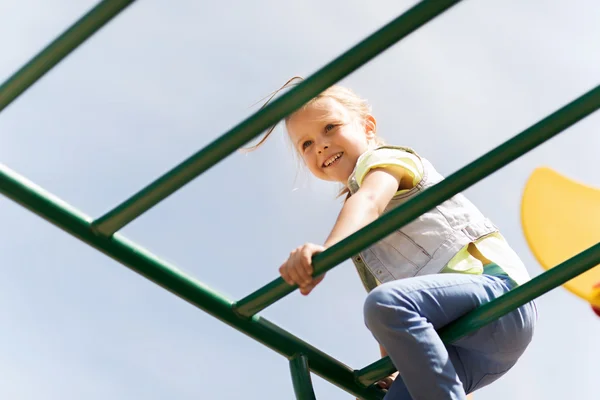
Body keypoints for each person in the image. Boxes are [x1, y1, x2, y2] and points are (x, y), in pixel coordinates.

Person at [244, 77, 538, 399]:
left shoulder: (385, 161)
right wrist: (393, 369)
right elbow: (390, 305)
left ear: (368, 127)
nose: (321, 146)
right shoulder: (361, 235)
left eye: (330, 128)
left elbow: (369, 202)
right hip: (463, 346)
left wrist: (326, 251)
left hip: (496, 295)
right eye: (306, 144)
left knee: (385, 305)